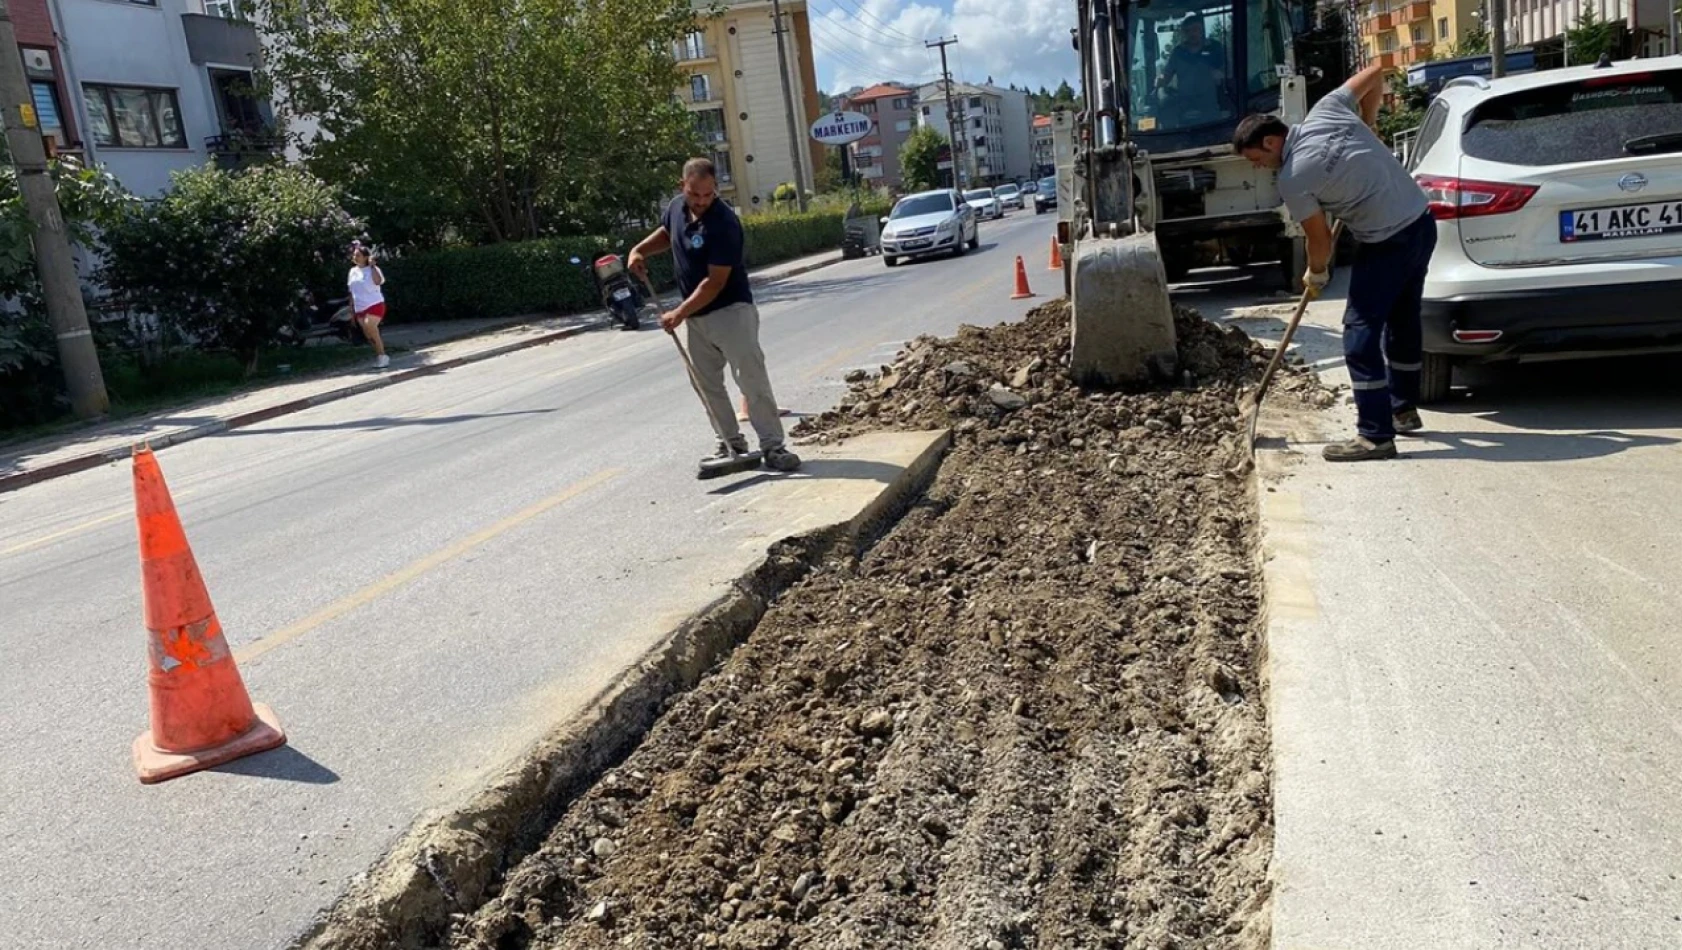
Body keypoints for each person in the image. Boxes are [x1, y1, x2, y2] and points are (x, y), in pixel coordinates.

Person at [1233, 61, 1435, 462]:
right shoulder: (1327, 109)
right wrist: (1369, 120)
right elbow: (1377, 72)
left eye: (1255, 158)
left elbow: (1319, 238)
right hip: (1421, 222)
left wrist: (1316, 273)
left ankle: (1375, 436)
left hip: (1388, 241)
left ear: (1272, 143)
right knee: (1402, 318)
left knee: (1359, 335)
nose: (1257, 167)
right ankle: (1402, 409)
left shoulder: (1293, 177)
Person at [628, 158, 801, 475]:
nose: (702, 201)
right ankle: (731, 442)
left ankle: (773, 446)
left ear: (715, 190)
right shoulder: (677, 208)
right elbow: (668, 234)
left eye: (708, 195)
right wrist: (638, 250)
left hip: (732, 312)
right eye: (696, 195)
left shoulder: (723, 223)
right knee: (706, 384)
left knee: (751, 380)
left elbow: (715, 282)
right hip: (698, 318)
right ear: (683, 187)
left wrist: (678, 313)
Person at [1156, 15, 1227, 114]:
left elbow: (1229, 72)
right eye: (1187, 31)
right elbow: (1167, 76)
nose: (1191, 34)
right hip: (1185, 106)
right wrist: (1160, 80)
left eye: (1195, 29)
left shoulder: (1214, 48)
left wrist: (1220, 75)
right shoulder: (1178, 53)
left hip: (1210, 104)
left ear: (1202, 30)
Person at [347, 244, 390, 369]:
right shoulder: (352, 271)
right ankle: (379, 354)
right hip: (359, 307)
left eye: (358, 255)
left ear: (366, 257)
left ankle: (382, 356)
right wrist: (351, 310)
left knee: (369, 325)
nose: (355, 257)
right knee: (368, 334)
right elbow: (351, 291)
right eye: (354, 255)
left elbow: (378, 281)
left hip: (374, 303)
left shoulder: (373, 269)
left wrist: (372, 266)